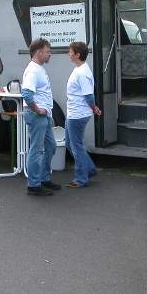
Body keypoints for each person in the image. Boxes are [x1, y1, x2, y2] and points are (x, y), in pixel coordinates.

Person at [21, 38, 61, 196]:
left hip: (44, 115)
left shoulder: (39, 68)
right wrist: (37, 109)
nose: (50, 54)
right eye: (47, 51)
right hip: (37, 116)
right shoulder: (33, 70)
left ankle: (43, 179)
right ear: (38, 52)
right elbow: (26, 94)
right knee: (36, 150)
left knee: (50, 146)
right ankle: (34, 185)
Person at [64, 42, 101, 188]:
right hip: (74, 113)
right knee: (70, 143)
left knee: (76, 146)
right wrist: (94, 108)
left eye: (70, 51)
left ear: (77, 54)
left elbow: (88, 95)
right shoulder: (80, 69)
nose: (69, 54)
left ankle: (81, 178)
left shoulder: (82, 72)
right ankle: (89, 168)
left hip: (77, 115)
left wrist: (94, 107)